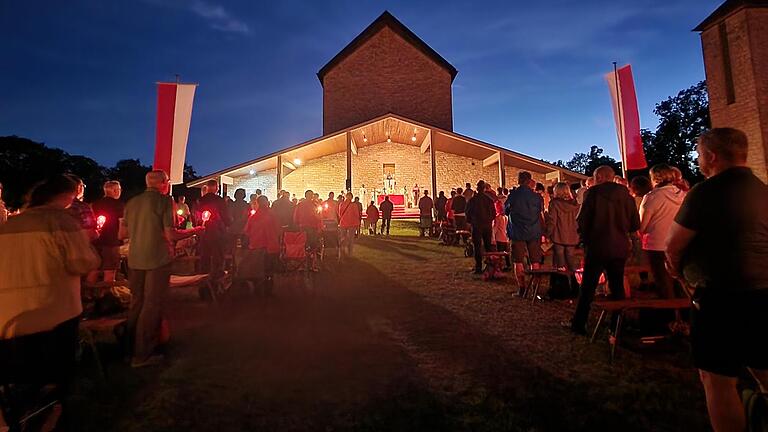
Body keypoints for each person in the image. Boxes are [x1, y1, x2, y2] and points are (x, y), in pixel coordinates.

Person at [666, 128, 768, 432]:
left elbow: (674, 244)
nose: (697, 159)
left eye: (699, 153)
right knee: (764, 367)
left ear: (711, 156)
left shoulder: (705, 193)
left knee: (717, 377)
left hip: (719, 295)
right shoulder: (763, 190)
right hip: (764, 292)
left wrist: (680, 275)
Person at [0, 175, 100, 426]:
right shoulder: (61, 221)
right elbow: (82, 262)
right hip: (53, 310)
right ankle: (54, 411)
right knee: (54, 371)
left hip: (9, 315)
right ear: (66, 196)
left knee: (18, 370)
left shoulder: (9, 224)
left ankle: (21, 409)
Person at [121, 170, 203, 367]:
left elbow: (121, 232)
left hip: (135, 258)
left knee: (137, 302)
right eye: (167, 182)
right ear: (164, 184)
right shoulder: (165, 201)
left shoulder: (132, 202)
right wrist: (193, 231)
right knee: (152, 304)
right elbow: (171, 235)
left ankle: (127, 348)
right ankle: (142, 354)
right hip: (157, 258)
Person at [567, 165, 640, 335]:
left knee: (588, 287)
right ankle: (617, 325)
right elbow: (635, 224)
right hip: (619, 246)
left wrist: (585, 239)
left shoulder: (592, 194)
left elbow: (582, 221)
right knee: (617, 286)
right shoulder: (626, 196)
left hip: (597, 246)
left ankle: (579, 323)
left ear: (598, 177)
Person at [638, 164, 685, 299]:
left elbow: (642, 226)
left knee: (663, 282)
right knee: (680, 281)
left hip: (656, 245)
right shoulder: (683, 195)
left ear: (655, 178)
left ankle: (669, 315)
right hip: (679, 244)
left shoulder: (652, 197)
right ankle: (685, 315)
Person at [505, 172, 544, 291]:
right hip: (533, 231)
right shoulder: (537, 197)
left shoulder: (513, 195)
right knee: (535, 260)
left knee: (518, 261)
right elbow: (540, 213)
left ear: (519, 180)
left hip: (517, 232)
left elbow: (505, 210)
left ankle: (522, 288)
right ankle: (535, 287)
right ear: (529, 181)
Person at [243, 195, 280, 293]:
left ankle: (258, 288)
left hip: (256, 246)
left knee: (258, 269)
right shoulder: (273, 215)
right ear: (267, 202)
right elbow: (278, 229)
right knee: (269, 269)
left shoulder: (253, 217)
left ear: (258, 203)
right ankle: (269, 289)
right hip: (271, 246)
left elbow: (246, 231)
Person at [90, 180, 125, 283]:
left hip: (95, 242)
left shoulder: (94, 205)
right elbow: (123, 223)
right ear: (114, 191)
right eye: (119, 189)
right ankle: (107, 294)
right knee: (109, 270)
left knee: (94, 269)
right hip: (111, 242)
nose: (120, 192)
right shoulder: (119, 205)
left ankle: (89, 294)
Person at [196, 179, 231, 279]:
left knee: (204, 256)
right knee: (218, 256)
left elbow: (196, 216)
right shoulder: (219, 200)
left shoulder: (200, 200)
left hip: (204, 232)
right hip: (217, 232)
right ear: (216, 188)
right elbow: (225, 216)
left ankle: (203, 278)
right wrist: (228, 223)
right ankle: (216, 278)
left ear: (207, 188)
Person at [545, 182, 580, 273]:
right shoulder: (575, 205)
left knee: (560, 262)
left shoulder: (554, 204)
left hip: (558, 235)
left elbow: (552, 221)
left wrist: (547, 233)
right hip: (572, 235)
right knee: (570, 259)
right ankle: (573, 282)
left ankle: (561, 283)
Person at [466, 180, 496, 274]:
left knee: (477, 246)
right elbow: (493, 213)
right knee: (488, 246)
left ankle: (478, 267)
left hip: (477, 225)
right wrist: (489, 220)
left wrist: (471, 221)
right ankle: (489, 265)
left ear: (477, 188)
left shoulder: (473, 200)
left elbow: (468, 212)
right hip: (487, 225)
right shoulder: (489, 200)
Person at [294, 190, 323, 270]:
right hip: (313, 228)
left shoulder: (300, 205)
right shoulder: (315, 205)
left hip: (302, 227)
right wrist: (319, 226)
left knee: (303, 245)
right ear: (312, 196)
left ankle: (302, 265)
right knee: (313, 247)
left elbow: (295, 217)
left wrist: (298, 224)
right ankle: (312, 265)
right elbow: (319, 217)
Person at [65, 174, 98, 241]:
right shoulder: (81, 207)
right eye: (83, 186)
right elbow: (91, 233)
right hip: (76, 246)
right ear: (79, 187)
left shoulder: (50, 206)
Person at [338, 192, 361, 258]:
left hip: (343, 223)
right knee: (351, 239)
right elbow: (356, 215)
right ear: (351, 197)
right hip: (352, 224)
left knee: (342, 238)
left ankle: (342, 252)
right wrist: (357, 224)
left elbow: (339, 214)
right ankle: (349, 253)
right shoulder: (354, 205)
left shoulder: (341, 204)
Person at [492, 199, 512, 271]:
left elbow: (495, 229)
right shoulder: (506, 217)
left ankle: (499, 266)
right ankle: (508, 265)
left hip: (499, 238)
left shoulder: (498, 218)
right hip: (505, 238)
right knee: (506, 254)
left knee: (499, 254)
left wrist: (493, 238)